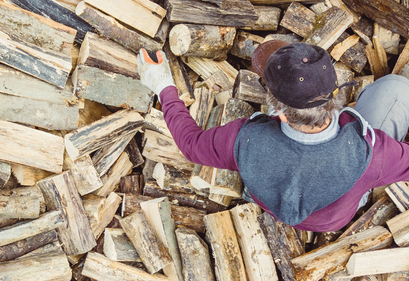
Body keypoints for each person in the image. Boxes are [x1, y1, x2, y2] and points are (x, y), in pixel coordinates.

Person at [136, 42, 409, 232]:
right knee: (395, 90)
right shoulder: (372, 152)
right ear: (333, 95)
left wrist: (163, 86)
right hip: (334, 218)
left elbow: (191, 145)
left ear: (279, 111)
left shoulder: (243, 141)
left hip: (273, 204)